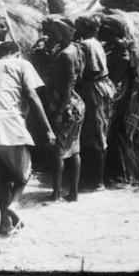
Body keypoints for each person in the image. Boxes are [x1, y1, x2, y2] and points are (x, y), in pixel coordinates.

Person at [0, 42, 55, 235]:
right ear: (16, 53)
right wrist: (47, 129)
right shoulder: (22, 64)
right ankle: (14, 204)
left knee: (2, 176)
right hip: (7, 120)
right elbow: (32, 96)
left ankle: (4, 223)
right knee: (25, 170)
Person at [44, 18, 85, 201]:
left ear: (63, 32)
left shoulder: (67, 54)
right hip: (74, 104)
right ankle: (73, 192)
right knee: (74, 148)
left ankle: (57, 192)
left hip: (65, 105)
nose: (50, 34)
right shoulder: (73, 49)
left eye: (54, 31)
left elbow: (68, 84)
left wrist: (60, 111)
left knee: (58, 151)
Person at [75, 15, 115, 190]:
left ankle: (97, 181)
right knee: (98, 131)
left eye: (78, 27)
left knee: (96, 133)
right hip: (103, 86)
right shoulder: (95, 42)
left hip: (94, 88)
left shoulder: (86, 45)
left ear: (84, 27)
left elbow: (92, 70)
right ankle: (94, 178)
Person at [98, 14, 132, 181]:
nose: (102, 31)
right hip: (107, 90)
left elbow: (117, 75)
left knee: (109, 131)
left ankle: (111, 171)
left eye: (106, 29)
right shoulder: (108, 46)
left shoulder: (120, 49)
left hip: (116, 94)